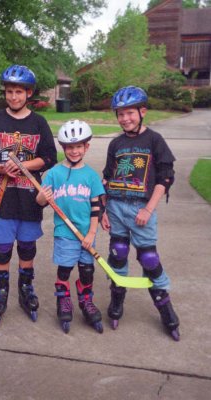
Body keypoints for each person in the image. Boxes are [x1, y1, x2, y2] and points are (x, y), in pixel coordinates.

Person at [0, 64, 57, 327]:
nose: (13, 97)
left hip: (29, 199)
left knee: (27, 247)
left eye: (19, 92)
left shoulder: (39, 123)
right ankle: (0, 290)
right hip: (1, 199)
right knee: (2, 248)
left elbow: (49, 157)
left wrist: (21, 166)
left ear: (29, 93)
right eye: (9, 91)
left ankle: (26, 287)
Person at [101, 86, 180, 341]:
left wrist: (149, 208)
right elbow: (107, 177)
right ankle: (116, 302)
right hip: (115, 206)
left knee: (148, 258)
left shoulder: (154, 140)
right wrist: (101, 208)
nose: (125, 118)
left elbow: (166, 177)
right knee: (118, 254)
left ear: (142, 111)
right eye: (120, 114)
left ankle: (165, 308)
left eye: (130, 113)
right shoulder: (116, 143)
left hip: (141, 209)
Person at [36, 120, 105, 334]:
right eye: (70, 147)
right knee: (65, 269)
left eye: (79, 146)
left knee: (87, 270)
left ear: (86, 147)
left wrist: (92, 233)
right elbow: (41, 202)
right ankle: (63, 301)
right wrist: (41, 196)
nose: (74, 151)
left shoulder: (91, 176)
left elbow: (96, 208)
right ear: (63, 148)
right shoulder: (55, 174)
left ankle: (86, 301)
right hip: (65, 233)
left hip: (87, 233)